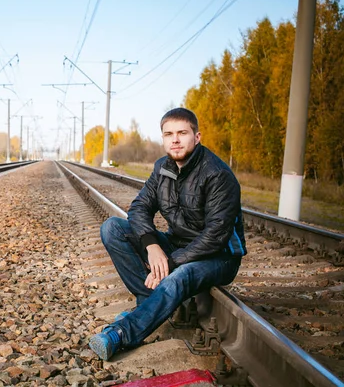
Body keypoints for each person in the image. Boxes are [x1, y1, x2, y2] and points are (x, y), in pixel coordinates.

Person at [88, 107, 246, 361]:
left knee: (180, 275)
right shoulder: (163, 168)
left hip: (220, 256)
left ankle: (121, 333)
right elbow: (139, 208)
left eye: (183, 133)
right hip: (177, 244)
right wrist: (152, 246)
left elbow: (216, 235)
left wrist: (171, 262)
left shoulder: (217, 175)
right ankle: (153, 304)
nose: (175, 139)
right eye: (169, 134)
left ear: (197, 136)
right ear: (162, 138)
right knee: (112, 228)